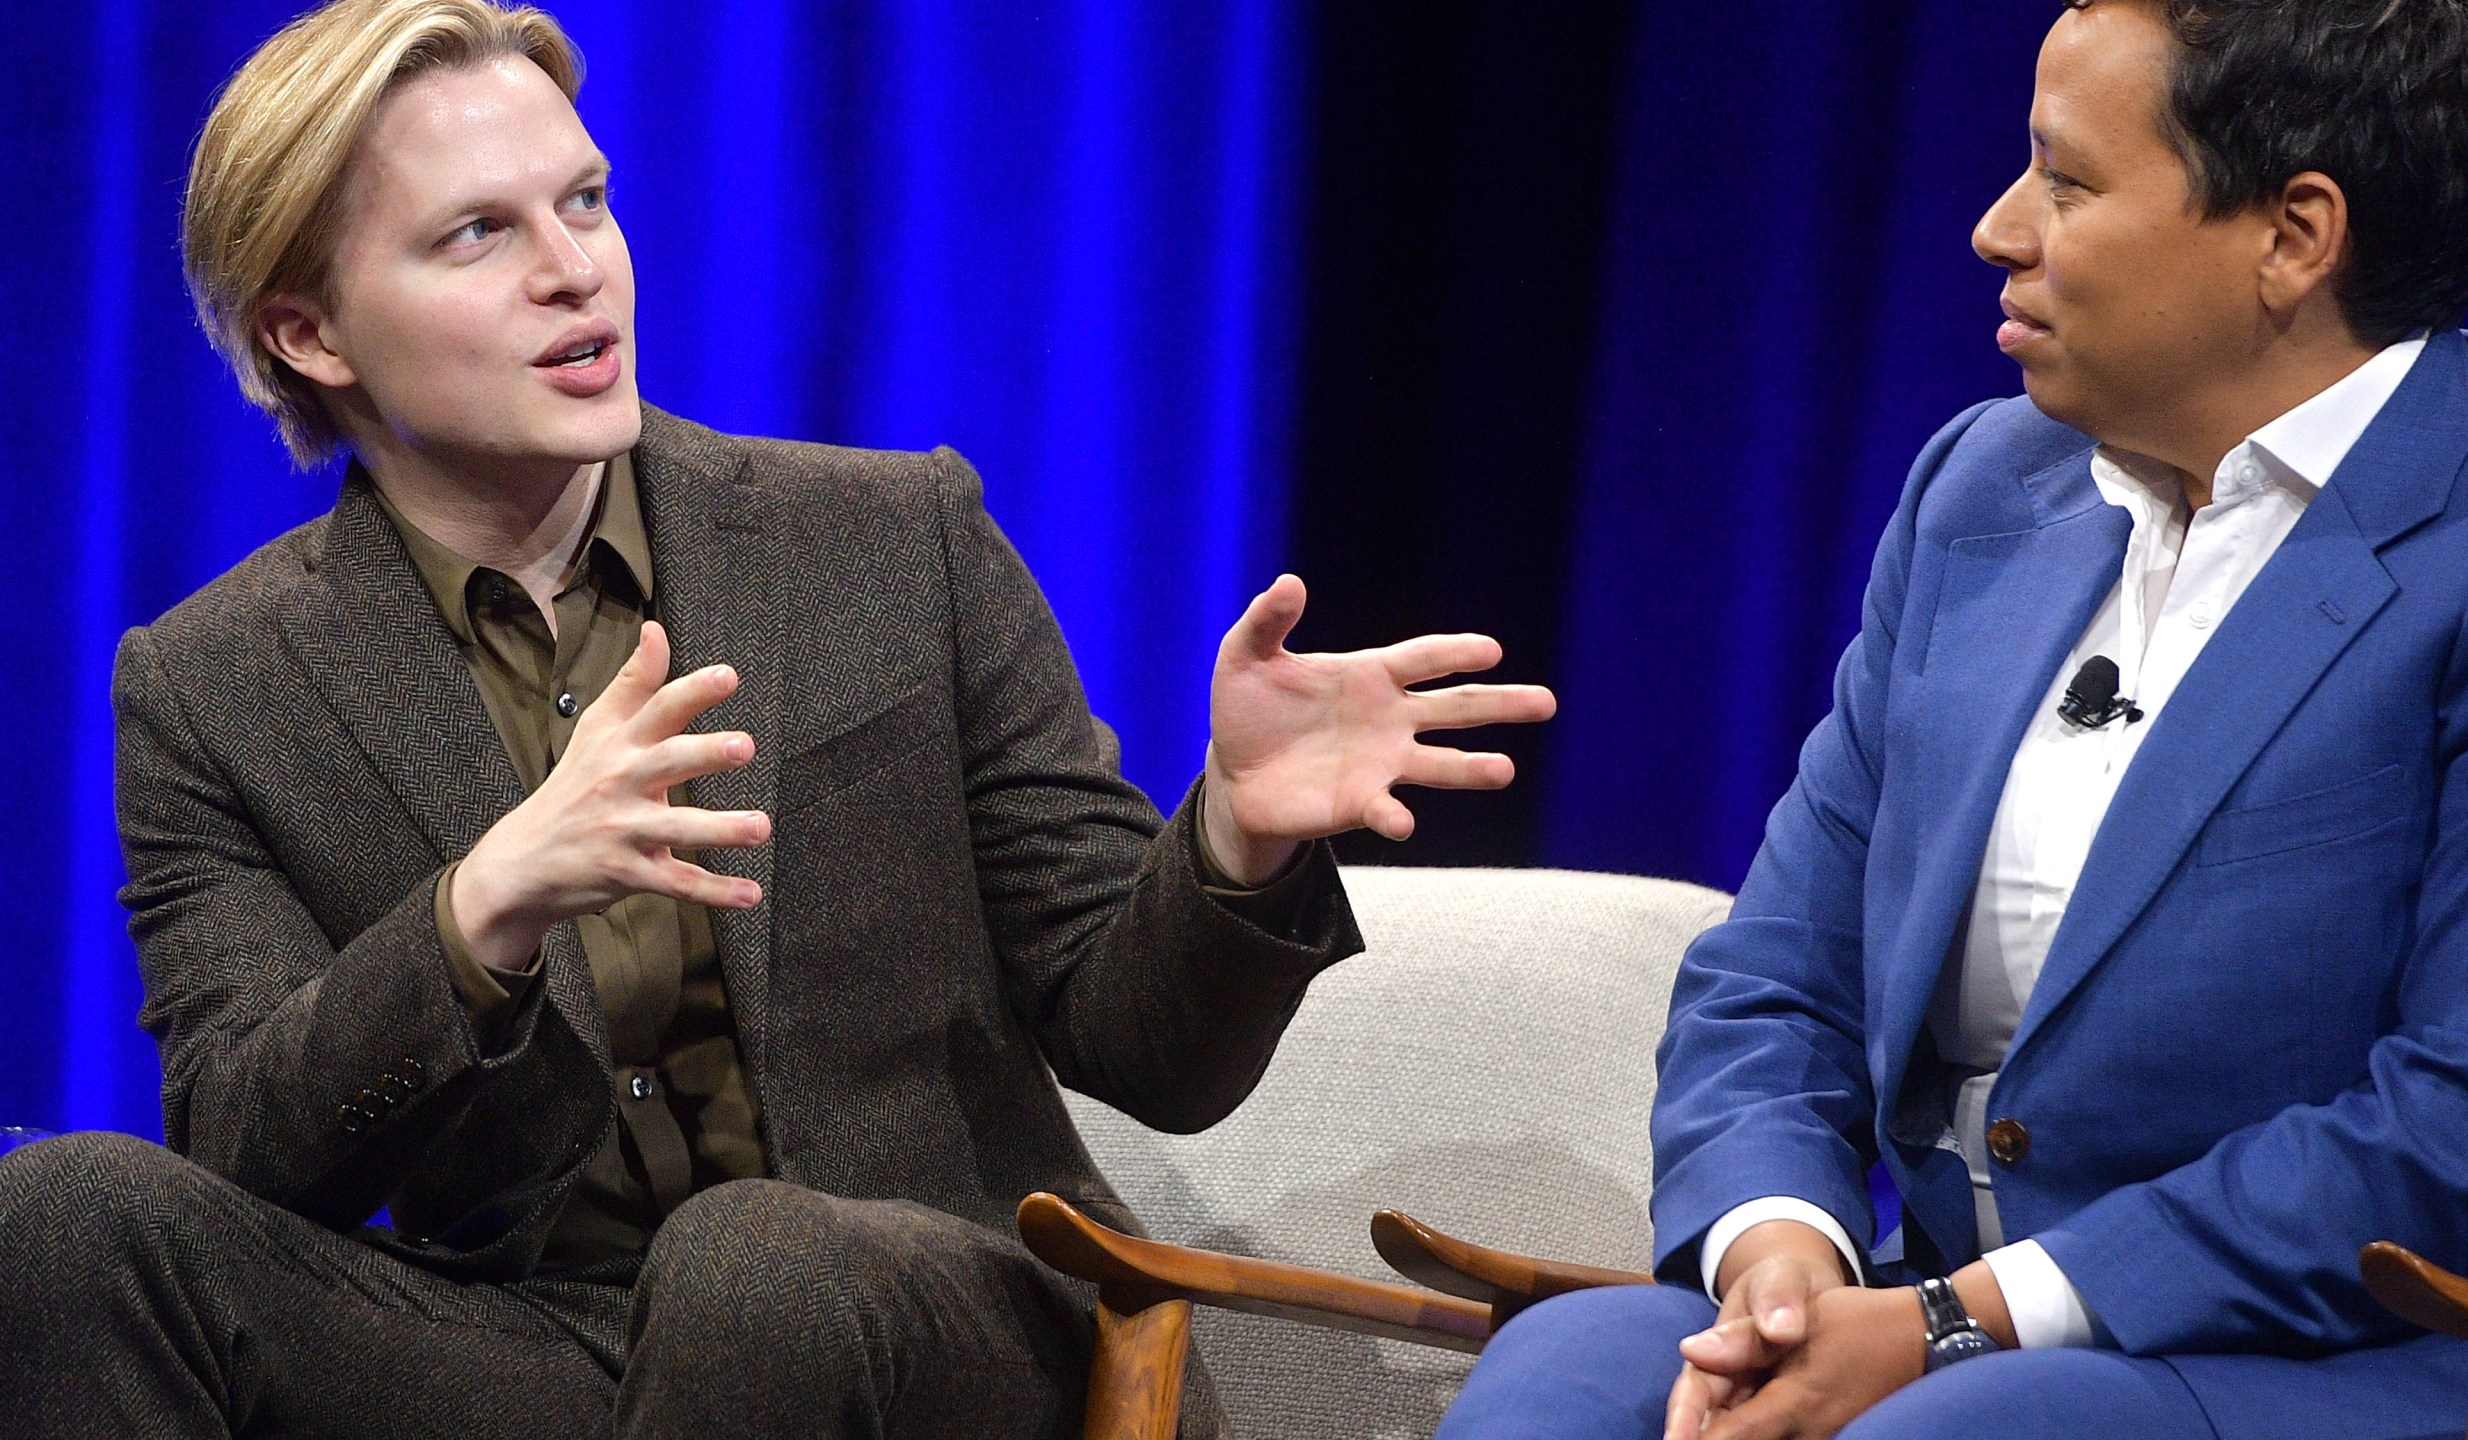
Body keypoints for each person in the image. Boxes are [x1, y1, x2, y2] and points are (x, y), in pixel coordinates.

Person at [0, 2, 1556, 1436]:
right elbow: (243, 1151)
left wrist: (1232, 837)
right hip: (536, 1349)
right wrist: (480, 916)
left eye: (586, 203)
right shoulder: (215, 685)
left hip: (933, 1321)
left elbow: (1141, 1044)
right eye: (479, 235)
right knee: (64, 1215)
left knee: (751, 1267)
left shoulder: (890, 540)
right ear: (311, 337)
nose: (575, 269)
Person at [1436, 2, 2468, 1438]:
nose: (1995, 227)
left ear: (2295, 234)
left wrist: (1962, 1325)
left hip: (2340, 1354)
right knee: (1570, 1380)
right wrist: (1780, 1258)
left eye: (2067, 182)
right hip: (1925, 1309)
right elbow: (1781, 976)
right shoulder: (1987, 486)